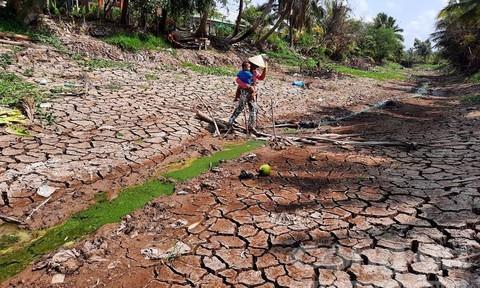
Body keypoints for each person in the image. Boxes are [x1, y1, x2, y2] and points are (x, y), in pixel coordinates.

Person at [228, 55, 267, 133]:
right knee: (241, 107)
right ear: (252, 65)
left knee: (253, 108)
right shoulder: (246, 72)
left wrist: (265, 69)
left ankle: (250, 126)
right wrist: (248, 87)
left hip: (252, 93)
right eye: (256, 66)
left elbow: (261, 78)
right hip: (245, 92)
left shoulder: (254, 72)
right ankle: (231, 121)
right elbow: (238, 80)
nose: (257, 67)